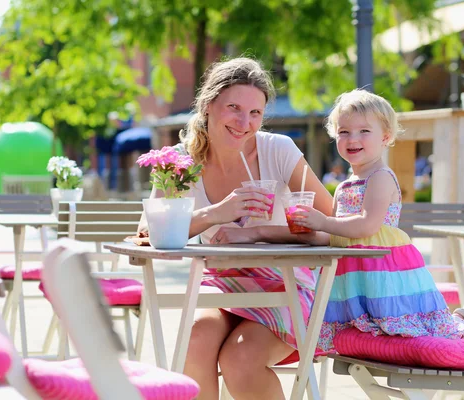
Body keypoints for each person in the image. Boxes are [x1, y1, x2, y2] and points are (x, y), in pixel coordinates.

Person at [138, 57, 333, 400]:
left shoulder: (278, 150)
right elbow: (146, 232)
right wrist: (216, 213)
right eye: (234, 108)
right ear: (208, 105)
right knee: (195, 340)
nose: (245, 123)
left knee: (240, 359)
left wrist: (256, 233)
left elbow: (332, 226)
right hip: (222, 281)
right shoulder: (181, 162)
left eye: (255, 113)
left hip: (285, 283)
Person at [291, 89, 464, 352]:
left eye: (363, 131)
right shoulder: (344, 186)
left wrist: (322, 221)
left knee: (405, 327)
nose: (352, 138)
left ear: (385, 137)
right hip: (356, 276)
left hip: (384, 271)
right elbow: (337, 233)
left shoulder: (380, 177)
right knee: (369, 331)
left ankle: (463, 327)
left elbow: (367, 225)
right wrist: (308, 231)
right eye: (344, 131)